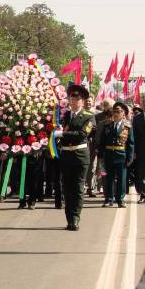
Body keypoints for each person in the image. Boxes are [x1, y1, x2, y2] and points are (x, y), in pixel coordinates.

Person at [53, 84, 95, 231]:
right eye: (71, 98)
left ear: (83, 101)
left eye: (77, 98)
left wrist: (62, 134)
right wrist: (55, 137)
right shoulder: (64, 116)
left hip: (80, 156)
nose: (74, 101)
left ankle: (75, 218)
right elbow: (56, 131)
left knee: (77, 188)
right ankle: (69, 218)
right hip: (66, 157)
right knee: (67, 188)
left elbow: (82, 135)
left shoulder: (89, 117)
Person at [99, 102, 134, 207]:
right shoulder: (107, 125)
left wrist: (130, 157)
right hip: (109, 155)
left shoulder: (127, 127)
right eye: (114, 111)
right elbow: (102, 141)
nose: (116, 114)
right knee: (108, 178)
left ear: (123, 114)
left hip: (121, 155)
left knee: (122, 179)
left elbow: (131, 143)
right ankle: (108, 199)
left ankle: (120, 199)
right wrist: (101, 156)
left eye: (119, 111)